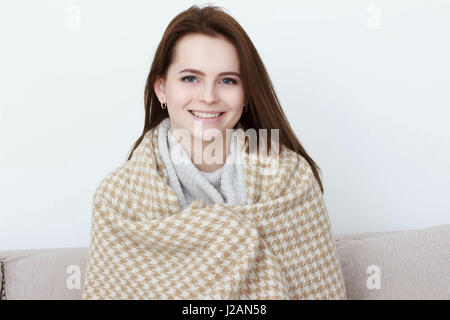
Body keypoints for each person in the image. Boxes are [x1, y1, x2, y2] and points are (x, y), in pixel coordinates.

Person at [82, 4, 346, 300]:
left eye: (227, 80)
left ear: (246, 94)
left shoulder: (291, 179)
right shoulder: (118, 199)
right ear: (161, 88)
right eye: (190, 78)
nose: (208, 96)